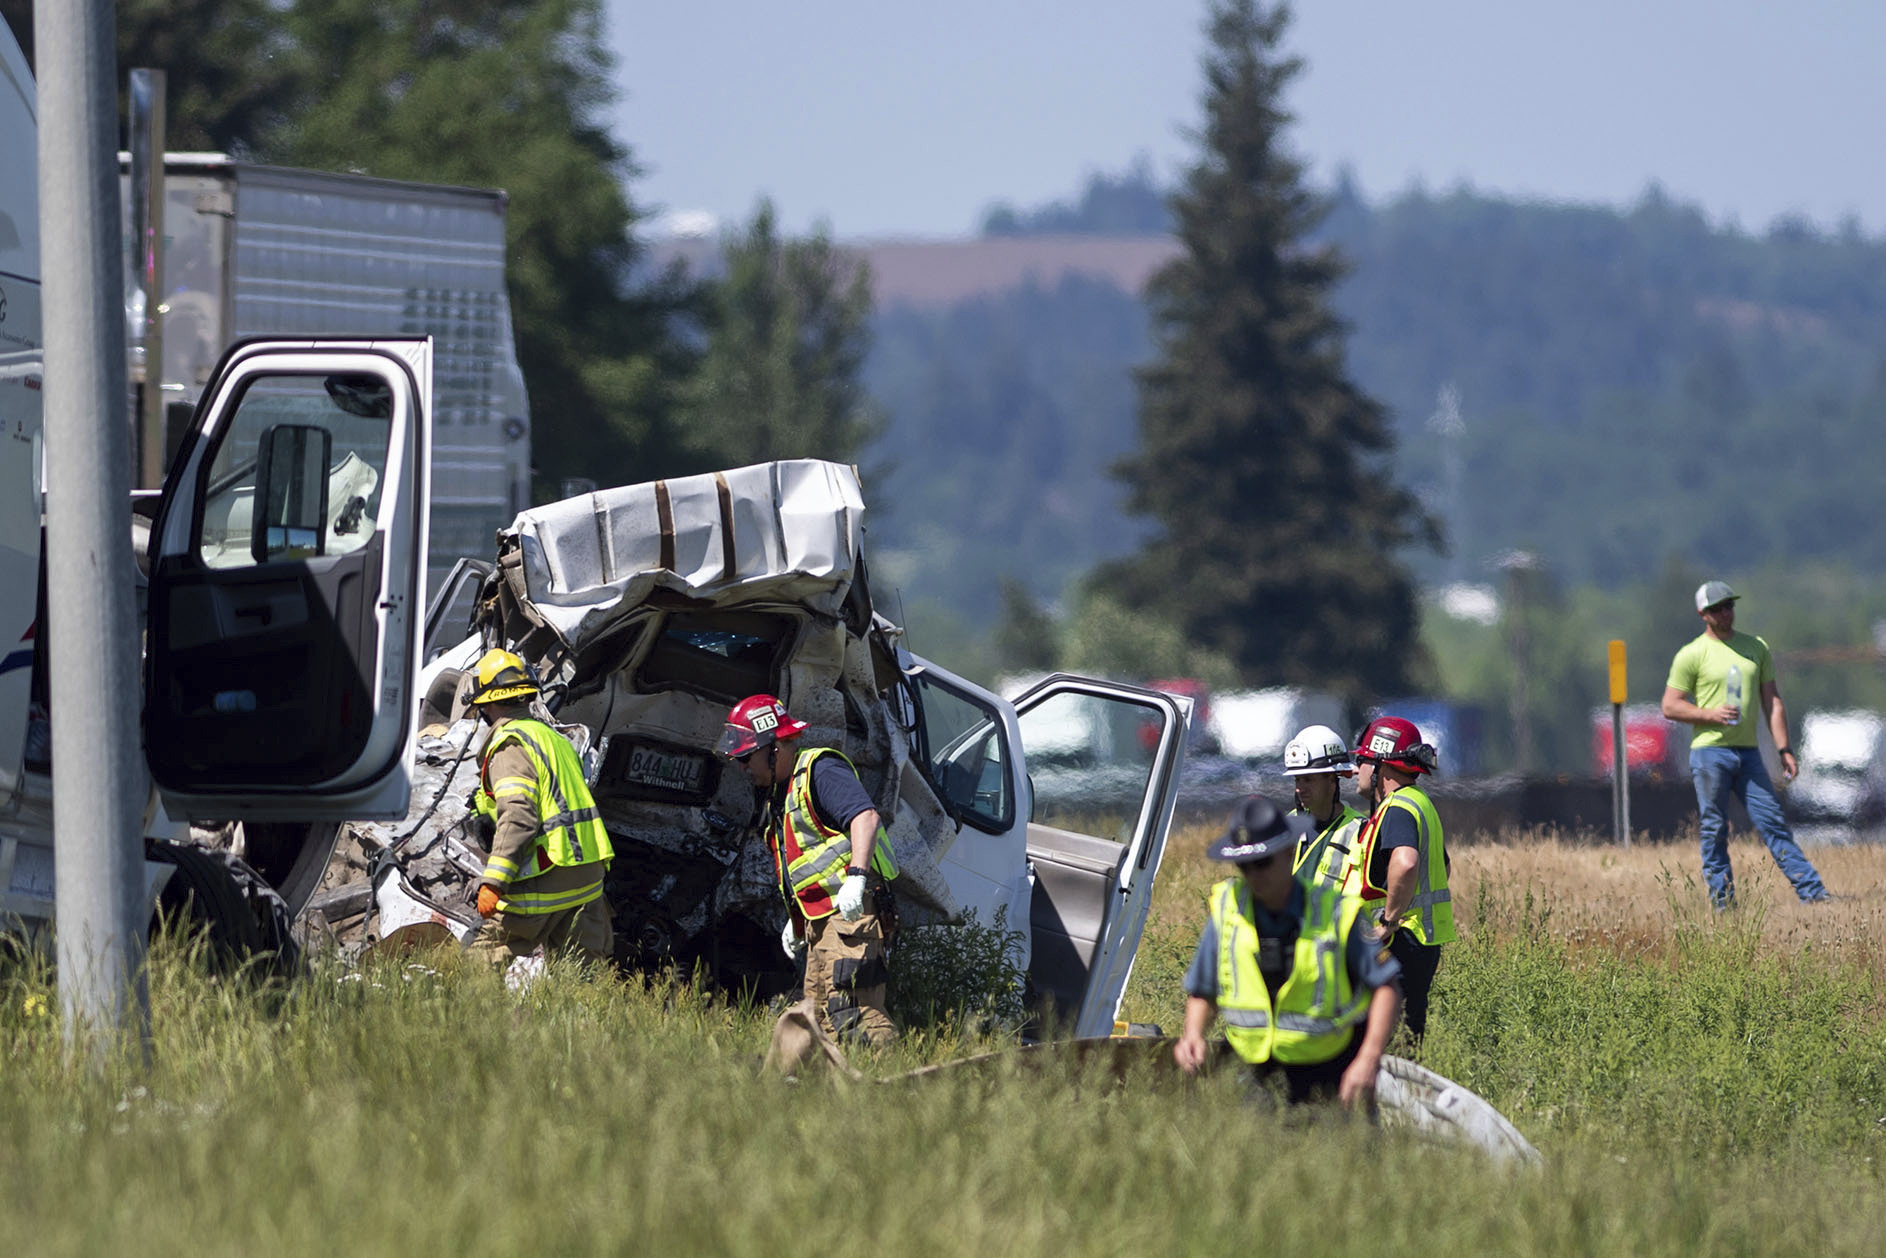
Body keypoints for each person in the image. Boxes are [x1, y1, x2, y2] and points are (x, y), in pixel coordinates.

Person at [1174, 795, 1402, 1109]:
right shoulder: (1227, 909)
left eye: (1263, 862)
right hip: (1252, 1077)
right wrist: (1193, 1035)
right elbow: (1202, 989)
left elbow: (1386, 988)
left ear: (1289, 851)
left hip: (1330, 1076)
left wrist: (1369, 1059)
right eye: (1244, 866)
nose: (1254, 875)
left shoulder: (1337, 912)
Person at [718, 693, 901, 1047]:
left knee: (854, 1014)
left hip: (852, 916)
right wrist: (798, 923)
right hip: (822, 922)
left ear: (774, 747)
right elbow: (803, 867)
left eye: (746, 757)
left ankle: (891, 1088)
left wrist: (857, 879)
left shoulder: (821, 769)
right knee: (819, 1019)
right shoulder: (781, 794)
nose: (742, 767)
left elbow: (866, 817)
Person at [1661, 580, 1829, 908]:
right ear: (1703, 614)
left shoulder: (1756, 648)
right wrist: (1709, 714)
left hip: (1749, 754)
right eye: (1718, 608)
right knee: (1714, 828)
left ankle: (1813, 894)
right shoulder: (1692, 654)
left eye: (1730, 606)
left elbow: (1773, 702)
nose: (1727, 612)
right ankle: (1723, 903)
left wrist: (1784, 749)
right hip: (1710, 753)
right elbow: (1670, 705)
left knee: (1772, 822)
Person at [463, 648, 616, 970]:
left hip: (547, 878)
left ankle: (466, 1021)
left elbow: (519, 815)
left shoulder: (510, 744)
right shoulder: (554, 738)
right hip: (587, 880)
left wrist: (494, 881)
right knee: (581, 984)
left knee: (478, 969)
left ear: (485, 703)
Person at [1347, 715, 1455, 1042]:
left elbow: (1406, 863)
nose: (1356, 770)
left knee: (1385, 1036)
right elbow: (1444, 867)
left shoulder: (1397, 807)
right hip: (1422, 941)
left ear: (1382, 766)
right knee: (1409, 1034)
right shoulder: (1421, 804)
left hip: (1402, 941)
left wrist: (1390, 919)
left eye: (1363, 761)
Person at [1283, 724, 1367, 893]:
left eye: (1308, 780)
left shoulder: (1360, 832)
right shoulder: (1288, 824)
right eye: (1297, 780)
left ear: (1331, 780)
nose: (1300, 788)